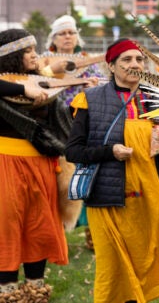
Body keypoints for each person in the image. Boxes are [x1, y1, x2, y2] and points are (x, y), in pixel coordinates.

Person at [64, 38, 159, 302]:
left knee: (143, 270)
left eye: (139, 59)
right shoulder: (90, 99)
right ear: (111, 66)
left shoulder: (157, 101)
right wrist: (109, 152)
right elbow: (73, 151)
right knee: (113, 270)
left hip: (147, 200)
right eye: (126, 59)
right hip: (107, 199)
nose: (134, 64)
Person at [0, 29, 71, 302]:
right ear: (12, 57)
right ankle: (6, 293)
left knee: (38, 227)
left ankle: (35, 291)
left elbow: (63, 123)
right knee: (6, 227)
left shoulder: (42, 82)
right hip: (6, 165)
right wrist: (22, 88)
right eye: (28, 51)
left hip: (41, 166)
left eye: (34, 49)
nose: (35, 55)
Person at [44, 14, 105, 248]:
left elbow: (102, 85)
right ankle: (56, 231)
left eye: (71, 32)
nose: (68, 36)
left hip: (85, 128)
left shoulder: (87, 61)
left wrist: (93, 87)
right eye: (63, 33)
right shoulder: (44, 63)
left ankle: (93, 234)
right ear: (54, 38)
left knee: (91, 179)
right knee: (58, 182)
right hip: (55, 130)